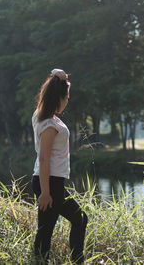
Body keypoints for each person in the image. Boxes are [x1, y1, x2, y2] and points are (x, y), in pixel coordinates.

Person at [31, 68, 88, 264]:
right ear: (58, 98)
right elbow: (44, 159)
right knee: (45, 232)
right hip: (49, 183)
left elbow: (58, 81)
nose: (67, 101)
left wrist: (60, 77)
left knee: (79, 219)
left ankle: (77, 260)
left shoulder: (42, 116)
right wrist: (45, 193)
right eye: (66, 98)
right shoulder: (48, 124)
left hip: (52, 182)